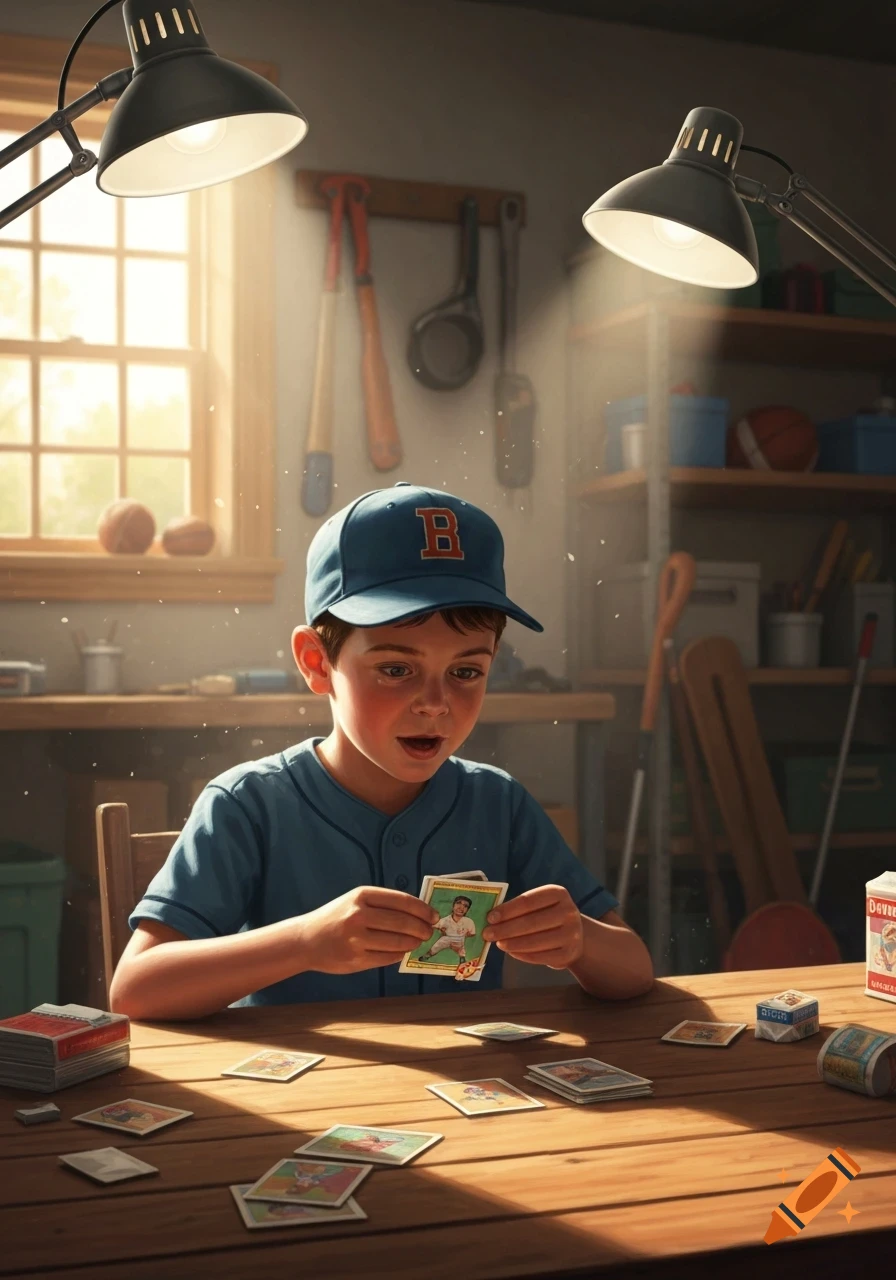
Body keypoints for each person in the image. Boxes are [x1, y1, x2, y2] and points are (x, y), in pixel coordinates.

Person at [109, 483, 654, 1019]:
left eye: (466, 671)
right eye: (396, 669)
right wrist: (303, 941)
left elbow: (634, 969)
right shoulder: (247, 804)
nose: (435, 704)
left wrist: (579, 940)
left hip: (459, 1100)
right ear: (317, 663)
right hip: (300, 1107)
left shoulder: (499, 803)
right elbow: (135, 989)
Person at [419, 895, 476, 963]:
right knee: (436, 946)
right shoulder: (445, 920)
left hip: (459, 939)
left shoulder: (468, 921)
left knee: (461, 950)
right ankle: (427, 955)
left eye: (465, 906)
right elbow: (433, 926)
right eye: (458, 903)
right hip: (446, 938)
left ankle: (462, 959)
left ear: (467, 910)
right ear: (453, 905)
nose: (461, 907)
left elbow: (472, 933)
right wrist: (440, 930)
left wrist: (468, 934)